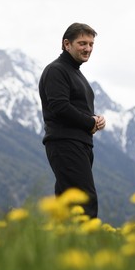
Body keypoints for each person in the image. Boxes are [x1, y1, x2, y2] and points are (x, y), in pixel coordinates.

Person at [38, 23, 106, 218]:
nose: (88, 49)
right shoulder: (56, 70)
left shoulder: (75, 73)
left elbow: (78, 109)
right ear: (66, 44)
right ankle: (85, 244)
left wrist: (96, 121)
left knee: (68, 200)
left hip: (79, 144)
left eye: (91, 44)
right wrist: (89, 122)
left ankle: (61, 243)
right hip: (65, 143)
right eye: (82, 43)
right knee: (84, 199)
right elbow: (59, 106)